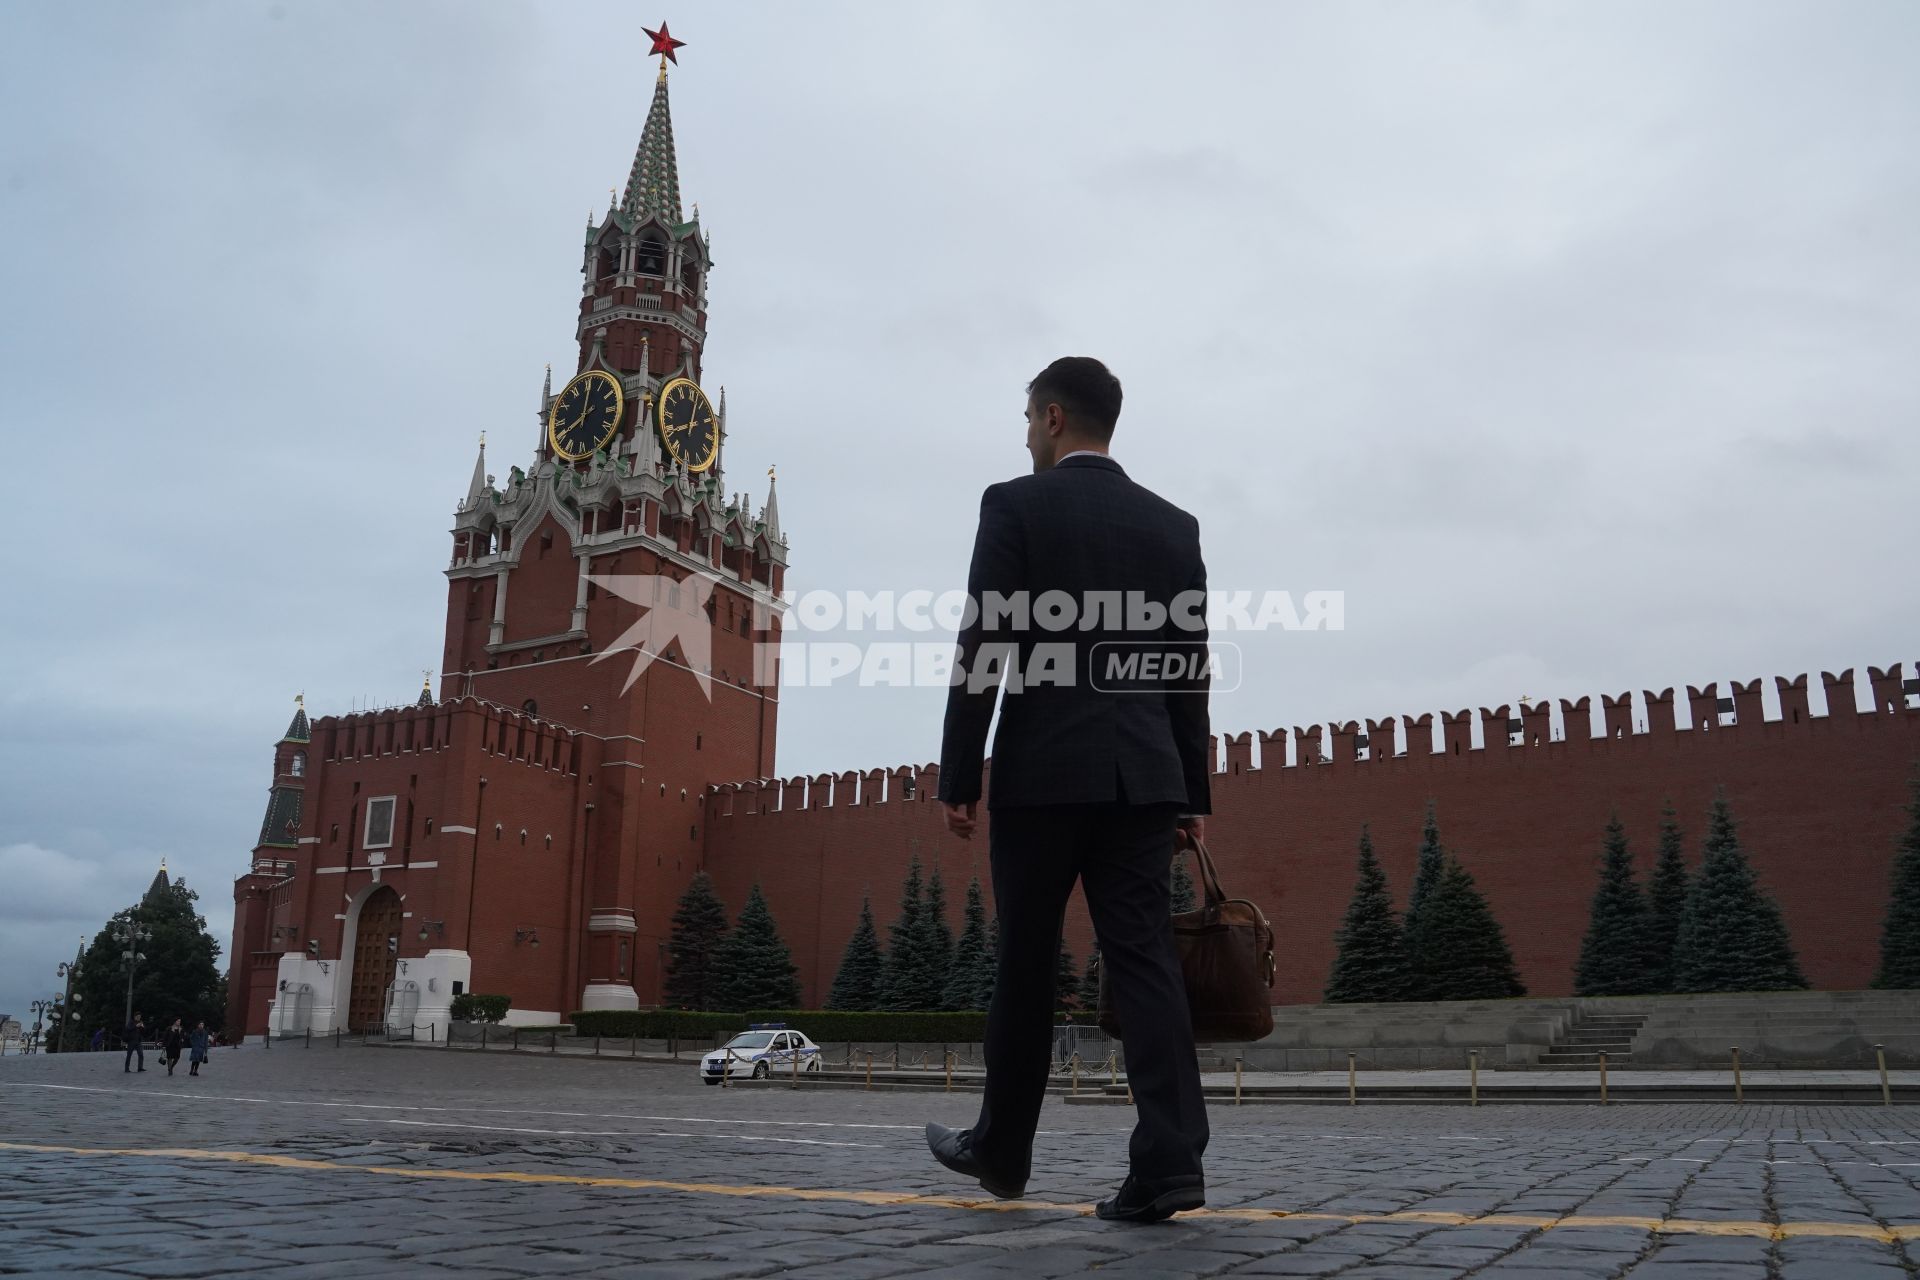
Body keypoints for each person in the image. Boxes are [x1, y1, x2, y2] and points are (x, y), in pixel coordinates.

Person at [925, 357, 1212, 1223]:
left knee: (1025, 959)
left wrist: (958, 770)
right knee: (1145, 958)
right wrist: (1192, 792)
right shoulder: (1174, 525)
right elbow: (1187, 670)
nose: (1022, 435)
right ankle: (1169, 1161)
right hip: (1144, 778)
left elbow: (986, 643)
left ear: (1053, 418)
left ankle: (1003, 1151)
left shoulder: (1015, 503)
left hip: (1044, 772)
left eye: (1025, 418)